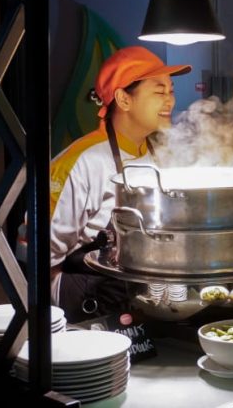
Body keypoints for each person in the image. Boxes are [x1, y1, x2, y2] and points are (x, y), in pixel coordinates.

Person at [49, 46, 190, 321]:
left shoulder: (158, 153)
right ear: (124, 99)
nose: (170, 101)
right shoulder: (82, 161)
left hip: (145, 302)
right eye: (159, 92)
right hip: (91, 306)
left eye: (171, 91)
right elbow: (40, 254)